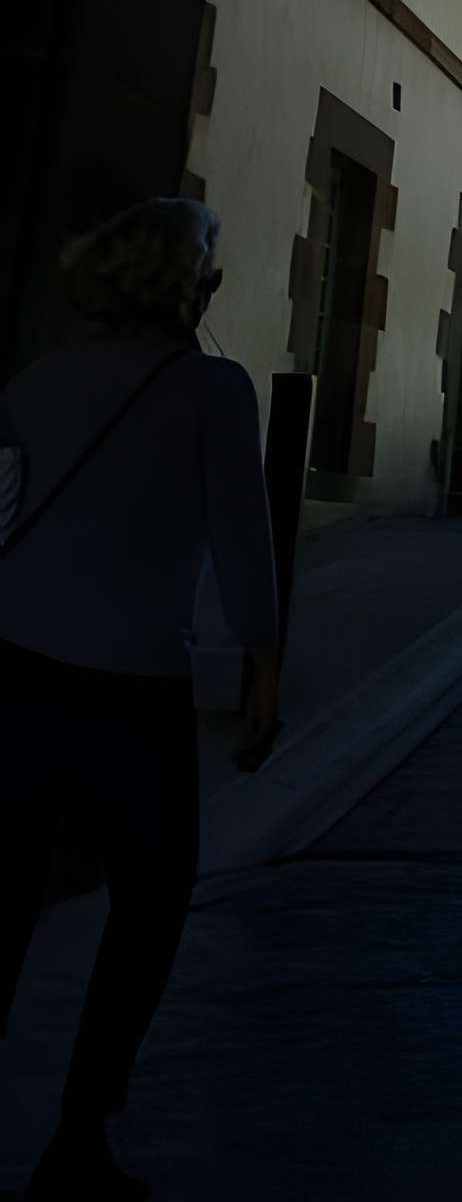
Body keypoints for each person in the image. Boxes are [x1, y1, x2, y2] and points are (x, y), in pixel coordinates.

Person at [0, 198, 280, 1200]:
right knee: (149, 910)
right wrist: (264, 667)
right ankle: (79, 1138)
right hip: (132, 685)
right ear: (189, 282)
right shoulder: (211, 389)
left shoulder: (38, 381)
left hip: (17, 670)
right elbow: (244, 545)